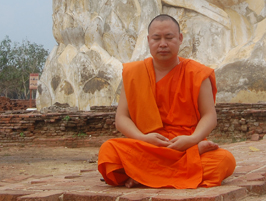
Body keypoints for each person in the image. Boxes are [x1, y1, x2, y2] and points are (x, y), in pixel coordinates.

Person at [97, 14, 236, 189]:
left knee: (224, 161)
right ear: (149, 41)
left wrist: (192, 139)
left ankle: (144, 175)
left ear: (180, 39)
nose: (163, 44)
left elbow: (209, 116)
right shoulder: (134, 74)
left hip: (185, 143)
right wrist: (143, 138)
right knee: (108, 152)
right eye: (157, 38)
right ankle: (170, 168)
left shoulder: (197, 74)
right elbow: (122, 119)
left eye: (169, 38)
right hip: (149, 145)